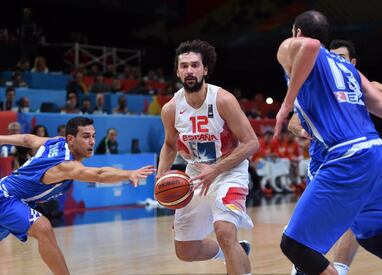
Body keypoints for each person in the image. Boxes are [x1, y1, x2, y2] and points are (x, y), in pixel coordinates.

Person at [0, 116, 154, 275]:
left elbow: (28, 139)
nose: (91, 142)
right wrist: (128, 174)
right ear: (71, 139)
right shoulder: (66, 165)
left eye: (93, 136)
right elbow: (98, 174)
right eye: (86, 136)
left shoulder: (57, 141)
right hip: (6, 197)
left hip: (6, 195)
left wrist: (0, 139)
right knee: (43, 228)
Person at [275, 10, 382, 275]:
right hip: (375, 154)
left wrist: (285, 104)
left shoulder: (295, 47)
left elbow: (310, 46)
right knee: (370, 233)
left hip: (347, 156)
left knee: (295, 245)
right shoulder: (346, 67)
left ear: (297, 32)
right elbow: (378, 103)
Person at [157, 39, 259, 275]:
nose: (189, 70)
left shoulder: (222, 100)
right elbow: (170, 145)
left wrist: (216, 170)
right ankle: (234, 252)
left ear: (205, 69)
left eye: (195, 65)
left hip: (229, 171)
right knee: (185, 251)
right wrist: (161, 176)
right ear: (178, 71)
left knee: (224, 232)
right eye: (184, 66)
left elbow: (252, 142)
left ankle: (231, 248)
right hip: (195, 173)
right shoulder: (171, 108)